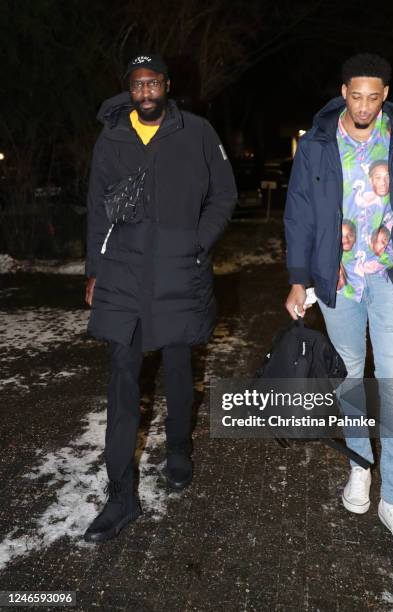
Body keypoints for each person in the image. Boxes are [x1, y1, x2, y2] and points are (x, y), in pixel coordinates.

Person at [284, 53, 393, 560]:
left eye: (374, 97)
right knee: (350, 375)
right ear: (343, 90)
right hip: (341, 282)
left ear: (386, 95)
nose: (365, 106)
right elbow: (300, 213)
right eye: (356, 95)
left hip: (392, 281)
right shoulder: (317, 144)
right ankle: (359, 464)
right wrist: (298, 279)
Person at [84, 53, 237, 542]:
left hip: (178, 270)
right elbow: (95, 208)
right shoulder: (111, 139)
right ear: (129, 89)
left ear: (167, 85)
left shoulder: (196, 132)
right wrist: (93, 270)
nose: (146, 90)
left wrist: (198, 240)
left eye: (153, 82)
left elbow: (225, 194)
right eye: (137, 84)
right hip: (124, 274)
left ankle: (178, 451)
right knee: (122, 380)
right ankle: (120, 495)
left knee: (177, 365)